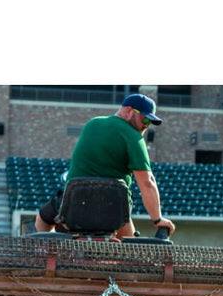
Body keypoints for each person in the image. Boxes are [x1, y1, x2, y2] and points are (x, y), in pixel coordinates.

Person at [35, 93, 175, 239]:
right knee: (131, 252)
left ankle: (49, 255)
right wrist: (157, 219)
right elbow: (147, 182)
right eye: (145, 118)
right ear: (128, 110)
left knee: (43, 218)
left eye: (150, 121)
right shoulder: (134, 138)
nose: (147, 124)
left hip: (74, 203)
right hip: (113, 209)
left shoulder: (92, 124)